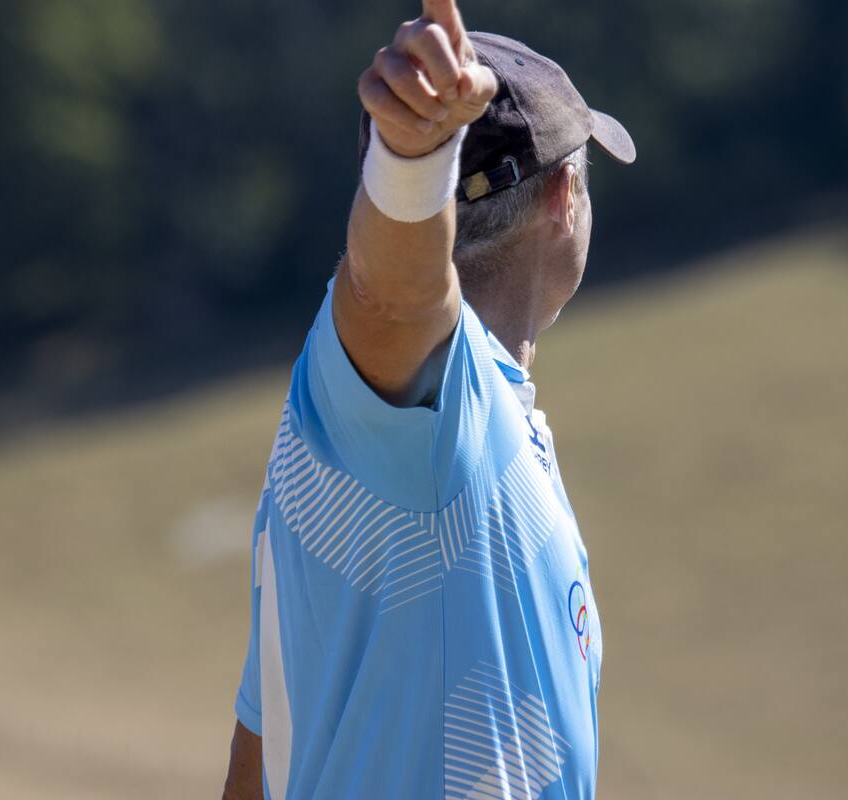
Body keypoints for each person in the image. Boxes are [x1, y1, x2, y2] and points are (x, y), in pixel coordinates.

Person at [223, 1, 634, 797]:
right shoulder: (437, 412)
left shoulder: (451, 425)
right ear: (564, 199)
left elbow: (267, 749)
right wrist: (413, 158)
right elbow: (391, 302)